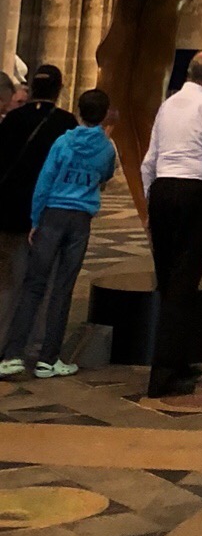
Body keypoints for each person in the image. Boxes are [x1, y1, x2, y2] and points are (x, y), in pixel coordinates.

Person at [0, 87, 117, 379]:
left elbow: (45, 181)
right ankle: (48, 359)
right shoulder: (106, 149)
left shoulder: (63, 143)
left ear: (78, 111)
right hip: (80, 219)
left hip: (51, 215)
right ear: (103, 115)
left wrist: (35, 219)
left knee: (33, 285)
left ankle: (13, 354)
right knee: (63, 289)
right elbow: (105, 175)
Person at [140, 50, 202, 399]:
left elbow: (148, 162)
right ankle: (163, 376)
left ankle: (177, 361)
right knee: (184, 283)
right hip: (194, 193)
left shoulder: (167, 106)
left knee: (167, 281)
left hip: (162, 190)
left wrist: (151, 204)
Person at [0, 68, 75, 320]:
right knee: (40, 280)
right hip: (47, 211)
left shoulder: (12, 118)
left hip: (9, 209)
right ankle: (28, 341)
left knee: (8, 279)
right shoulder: (66, 123)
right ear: (59, 89)